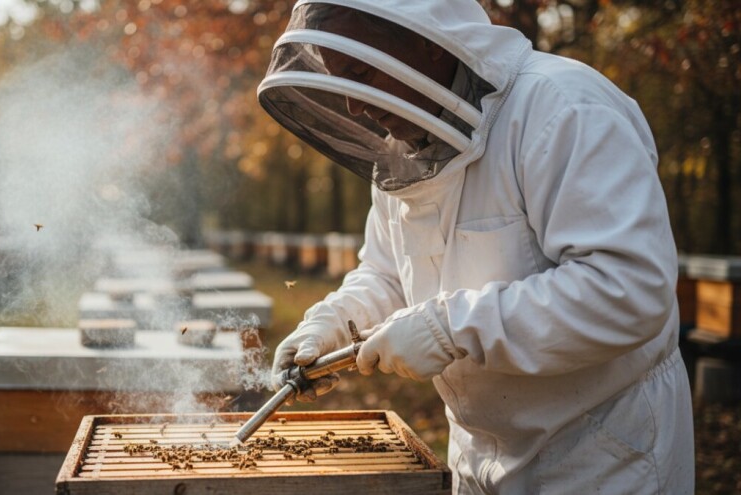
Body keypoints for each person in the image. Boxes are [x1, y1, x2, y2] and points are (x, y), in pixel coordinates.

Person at [258, 1, 695, 493]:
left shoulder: (563, 107)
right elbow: (387, 274)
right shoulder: (403, 148)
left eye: (361, 72)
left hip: (601, 454)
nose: (354, 104)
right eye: (343, 79)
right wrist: (333, 323)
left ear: (425, 36)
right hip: (476, 456)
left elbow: (628, 290)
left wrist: (452, 327)